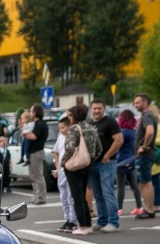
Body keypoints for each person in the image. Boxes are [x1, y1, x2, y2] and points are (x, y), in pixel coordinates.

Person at [61, 104, 102, 236]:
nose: (69, 117)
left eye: (70, 115)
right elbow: (99, 149)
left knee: (77, 196)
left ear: (75, 116)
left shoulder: (74, 128)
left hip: (74, 166)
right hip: (87, 164)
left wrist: (63, 162)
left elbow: (70, 147)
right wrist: (91, 159)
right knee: (83, 195)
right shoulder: (91, 127)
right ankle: (88, 224)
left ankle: (83, 226)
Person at [89, 98, 122, 232]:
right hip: (93, 164)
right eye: (94, 108)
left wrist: (108, 155)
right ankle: (102, 220)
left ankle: (113, 222)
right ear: (91, 109)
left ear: (104, 109)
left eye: (99, 108)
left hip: (106, 163)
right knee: (98, 195)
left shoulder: (110, 122)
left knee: (108, 193)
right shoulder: (90, 123)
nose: (97, 111)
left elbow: (119, 140)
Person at [132, 93, 158, 219]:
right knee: (142, 182)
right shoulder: (146, 115)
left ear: (145, 103)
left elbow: (150, 132)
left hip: (145, 154)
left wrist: (144, 146)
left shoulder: (147, 116)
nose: (135, 105)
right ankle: (147, 208)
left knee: (146, 182)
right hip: (145, 155)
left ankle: (149, 210)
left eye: (137, 102)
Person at [115, 109, 143, 216]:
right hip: (131, 160)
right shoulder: (133, 132)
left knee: (120, 186)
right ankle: (139, 206)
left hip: (121, 161)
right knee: (134, 185)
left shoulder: (123, 132)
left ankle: (119, 208)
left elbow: (118, 145)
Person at [51, 117, 77, 233]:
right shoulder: (60, 137)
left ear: (69, 126)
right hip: (61, 170)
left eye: (63, 127)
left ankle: (73, 220)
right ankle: (67, 219)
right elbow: (56, 152)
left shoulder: (73, 137)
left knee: (71, 196)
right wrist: (57, 168)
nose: (61, 130)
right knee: (63, 196)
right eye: (59, 128)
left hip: (71, 169)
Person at [25, 104, 49, 205]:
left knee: (38, 176)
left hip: (36, 152)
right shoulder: (37, 123)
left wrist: (24, 132)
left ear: (35, 113)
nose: (30, 113)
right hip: (34, 152)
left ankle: (41, 197)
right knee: (34, 176)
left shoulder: (39, 124)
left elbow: (33, 136)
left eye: (31, 111)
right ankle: (36, 196)